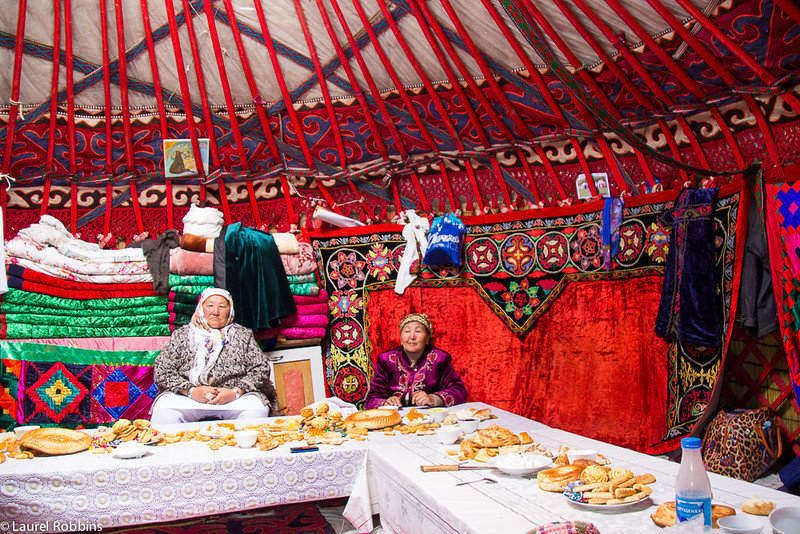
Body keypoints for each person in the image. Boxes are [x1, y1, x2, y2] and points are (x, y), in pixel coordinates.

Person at [151, 288, 278, 424]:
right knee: (163, 411)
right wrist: (191, 391)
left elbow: (261, 369)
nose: (215, 312)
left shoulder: (242, 335)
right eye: (210, 305)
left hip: (233, 399)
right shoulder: (182, 335)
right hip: (189, 398)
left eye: (222, 306)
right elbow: (162, 370)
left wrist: (235, 392)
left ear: (230, 310)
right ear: (201, 308)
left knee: (256, 410)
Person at [365, 313, 466, 409]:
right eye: (407, 331)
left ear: (427, 338)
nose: (412, 337)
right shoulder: (386, 360)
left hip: (429, 418)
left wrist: (434, 399)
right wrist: (386, 402)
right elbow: (372, 398)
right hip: (395, 419)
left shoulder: (439, 359)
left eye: (418, 331)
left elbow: (459, 391)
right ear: (401, 337)